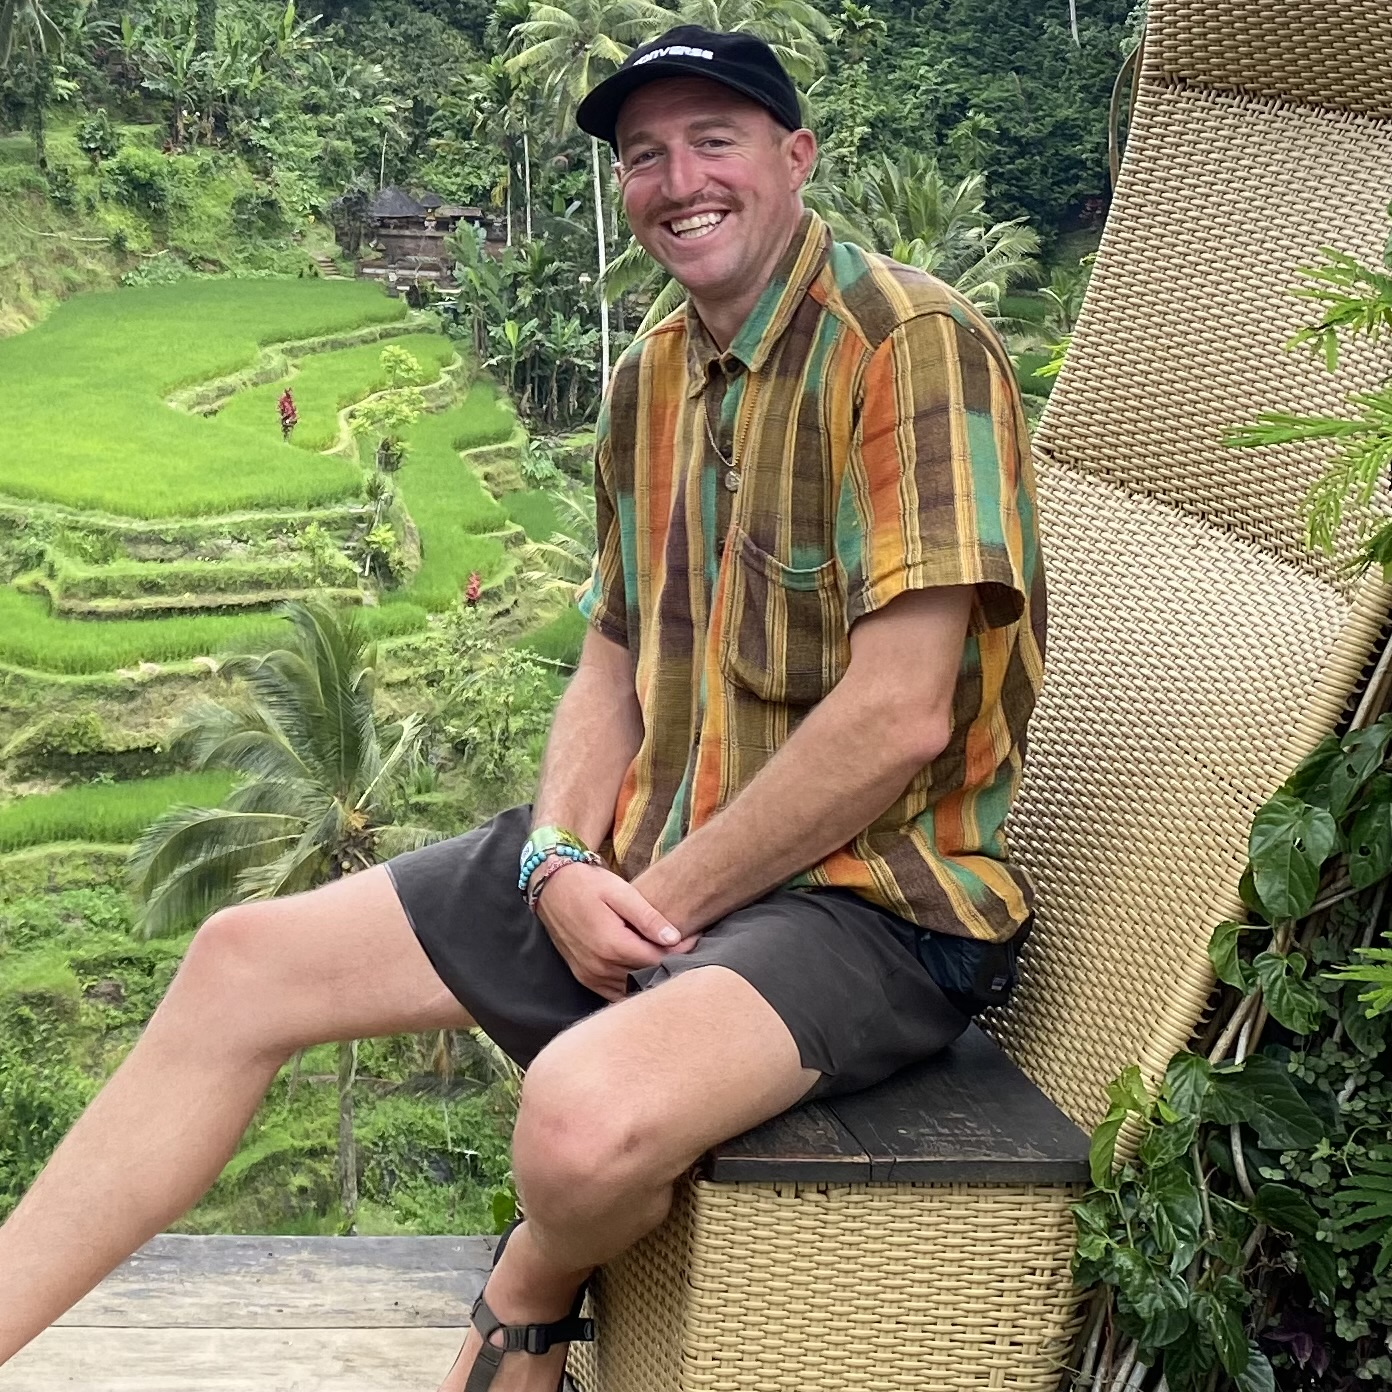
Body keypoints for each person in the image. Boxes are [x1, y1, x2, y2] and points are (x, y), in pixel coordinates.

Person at [0, 26, 1044, 1392]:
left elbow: (901, 714)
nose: (679, 181)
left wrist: (656, 898)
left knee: (575, 1124)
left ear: (796, 157)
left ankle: (528, 1289)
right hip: (650, 861)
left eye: (713, 141)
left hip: (874, 907)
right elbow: (611, 649)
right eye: (644, 156)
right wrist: (557, 855)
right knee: (238, 962)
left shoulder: (911, 346)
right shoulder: (651, 373)